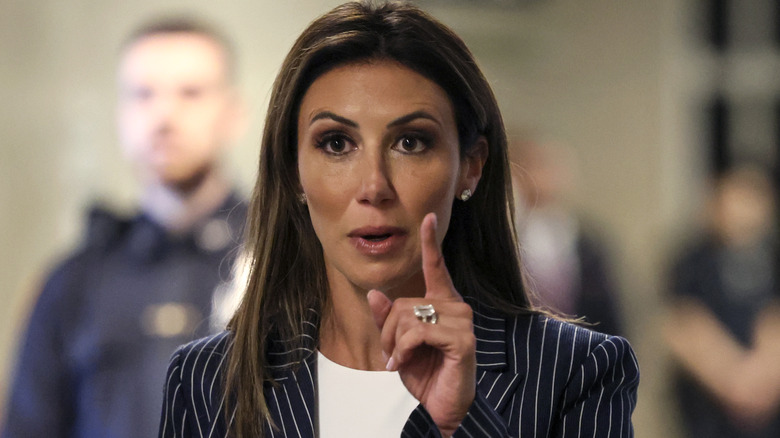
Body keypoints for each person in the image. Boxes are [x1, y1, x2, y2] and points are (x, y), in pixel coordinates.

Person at [159, 2, 639, 437]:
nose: (374, 186)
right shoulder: (206, 383)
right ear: (294, 173)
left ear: (470, 165)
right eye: (336, 144)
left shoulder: (575, 370)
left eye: (410, 142)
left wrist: (459, 423)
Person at [2, 17, 247, 438]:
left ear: (232, 114)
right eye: (143, 94)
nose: (164, 115)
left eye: (191, 93)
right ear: (121, 115)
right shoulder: (72, 282)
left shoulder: (286, 261)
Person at [665, 165, 780, 438]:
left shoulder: (773, 258)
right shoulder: (691, 260)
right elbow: (684, 322)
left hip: (770, 399)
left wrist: (765, 376)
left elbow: (773, 319)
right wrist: (733, 380)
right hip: (709, 403)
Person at [512, 139, 624, 336]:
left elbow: (609, 313)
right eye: (540, 165)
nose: (551, 177)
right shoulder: (509, 237)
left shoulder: (587, 241)